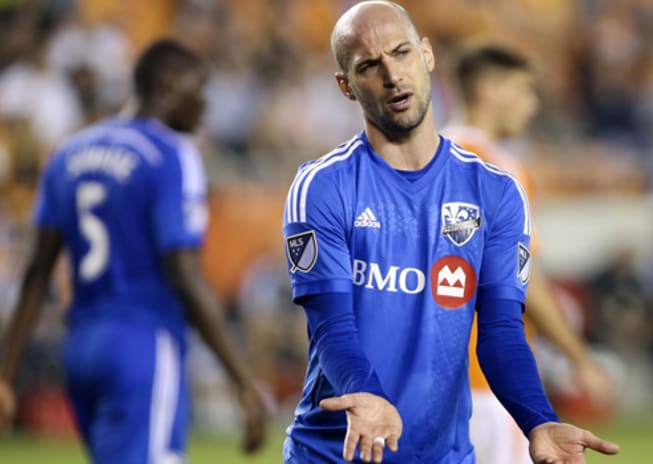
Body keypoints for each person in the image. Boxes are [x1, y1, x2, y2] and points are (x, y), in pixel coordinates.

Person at [281, 2, 620, 463]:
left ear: (427, 55)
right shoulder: (323, 186)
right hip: (332, 453)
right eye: (368, 66)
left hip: (444, 454)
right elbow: (333, 327)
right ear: (346, 86)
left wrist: (538, 419)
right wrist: (367, 395)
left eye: (401, 53)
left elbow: (502, 331)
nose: (392, 75)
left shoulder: (495, 190)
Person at [0, 39, 267, 463]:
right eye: (198, 91)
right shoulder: (170, 153)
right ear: (169, 85)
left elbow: (37, 272)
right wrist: (242, 379)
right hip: (142, 342)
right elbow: (184, 272)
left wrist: (7, 376)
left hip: (81, 346)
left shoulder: (69, 152)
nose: (204, 107)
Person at [442, 45, 615, 464]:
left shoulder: (426, 159)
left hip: (430, 380)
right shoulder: (495, 167)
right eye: (523, 91)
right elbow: (521, 278)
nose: (532, 105)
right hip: (490, 379)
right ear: (488, 89)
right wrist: (580, 358)